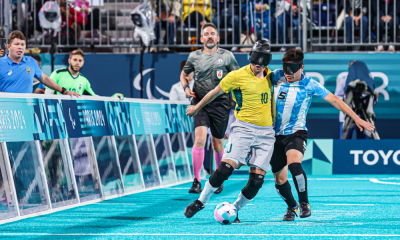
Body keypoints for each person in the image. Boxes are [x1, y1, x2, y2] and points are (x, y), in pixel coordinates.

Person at [270, 49, 375, 221]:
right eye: (286, 69)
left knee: (294, 165)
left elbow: (335, 100)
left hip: (296, 132)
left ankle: (304, 203)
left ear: (301, 67)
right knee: (279, 179)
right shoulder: (275, 76)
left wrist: (357, 119)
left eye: (292, 70)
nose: (288, 74)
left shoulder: (310, 84)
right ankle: (291, 206)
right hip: (274, 135)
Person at [184, 39, 275, 223]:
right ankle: (201, 201)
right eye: (256, 61)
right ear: (250, 57)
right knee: (224, 169)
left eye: (263, 63)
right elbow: (214, 92)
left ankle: (235, 208)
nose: (259, 66)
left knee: (257, 181)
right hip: (243, 129)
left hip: (266, 133)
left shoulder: (271, 76)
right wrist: (196, 107)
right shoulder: (236, 76)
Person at [180, 23, 239, 194]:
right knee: (199, 139)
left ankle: (217, 179)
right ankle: (197, 181)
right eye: (206, 34)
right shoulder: (194, 56)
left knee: (217, 144)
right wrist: (186, 87)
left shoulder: (227, 56)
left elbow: (236, 78)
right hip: (199, 102)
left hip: (220, 103)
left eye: (213, 33)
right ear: (201, 38)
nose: (210, 36)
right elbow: (184, 75)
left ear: (218, 38)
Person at [0, 30, 79, 96]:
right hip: (6, 111)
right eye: (16, 44)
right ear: (8, 47)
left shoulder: (31, 62)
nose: (20, 47)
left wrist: (63, 91)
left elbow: (44, 78)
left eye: (22, 44)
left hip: (27, 110)